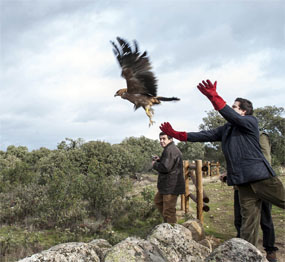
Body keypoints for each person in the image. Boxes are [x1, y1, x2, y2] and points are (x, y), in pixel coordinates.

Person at [159, 80, 285, 247]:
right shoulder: (226, 129)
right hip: (243, 183)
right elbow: (203, 135)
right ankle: (247, 254)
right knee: (248, 224)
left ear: (244, 111)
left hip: (261, 177)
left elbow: (229, 115)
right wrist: (178, 134)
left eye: (234, 106)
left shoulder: (250, 122)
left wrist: (214, 97)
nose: (231, 109)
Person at [221, 132, 278, 262]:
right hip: (241, 187)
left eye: (235, 110)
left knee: (265, 220)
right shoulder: (234, 137)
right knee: (239, 220)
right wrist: (229, 174)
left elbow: (265, 160)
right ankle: (243, 250)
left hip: (260, 186)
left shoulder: (260, 136)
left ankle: (270, 251)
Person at [152, 131, 185, 224]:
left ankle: (172, 231)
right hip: (167, 185)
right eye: (160, 139)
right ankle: (167, 224)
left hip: (171, 186)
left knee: (169, 211)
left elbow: (165, 167)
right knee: (158, 201)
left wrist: (155, 164)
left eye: (164, 139)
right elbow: (168, 164)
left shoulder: (170, 150)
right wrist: (160, 160)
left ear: (171, 139)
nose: (161, 141)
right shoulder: (169, 149)